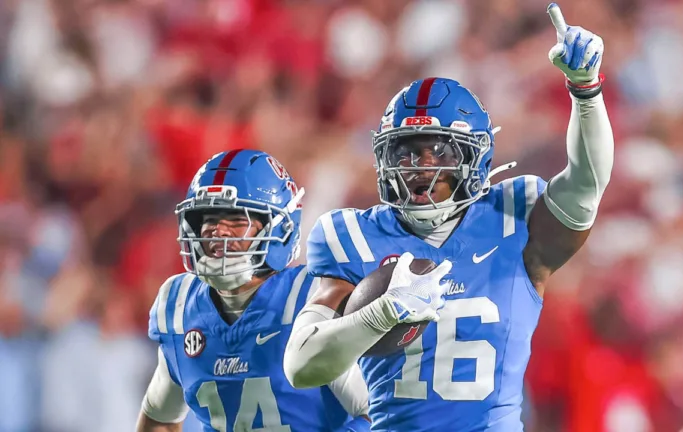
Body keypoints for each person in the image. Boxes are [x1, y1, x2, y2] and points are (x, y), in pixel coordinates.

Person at [283, 4, 613, 431]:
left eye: (438, 152)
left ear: (474, 158)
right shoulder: (353, 235)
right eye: (406, 152)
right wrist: (379, 316)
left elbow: (586, 185)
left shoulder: (512, 216)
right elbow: (302, 365)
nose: (421, 167)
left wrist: (586, 91)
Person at [135, 149, 370, 432]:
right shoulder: (179, 306)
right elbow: (160, 419)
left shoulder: (311, 297)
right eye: (208, 219)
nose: (218, 232)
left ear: (280, 228)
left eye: (237, 219)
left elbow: (382, 414)